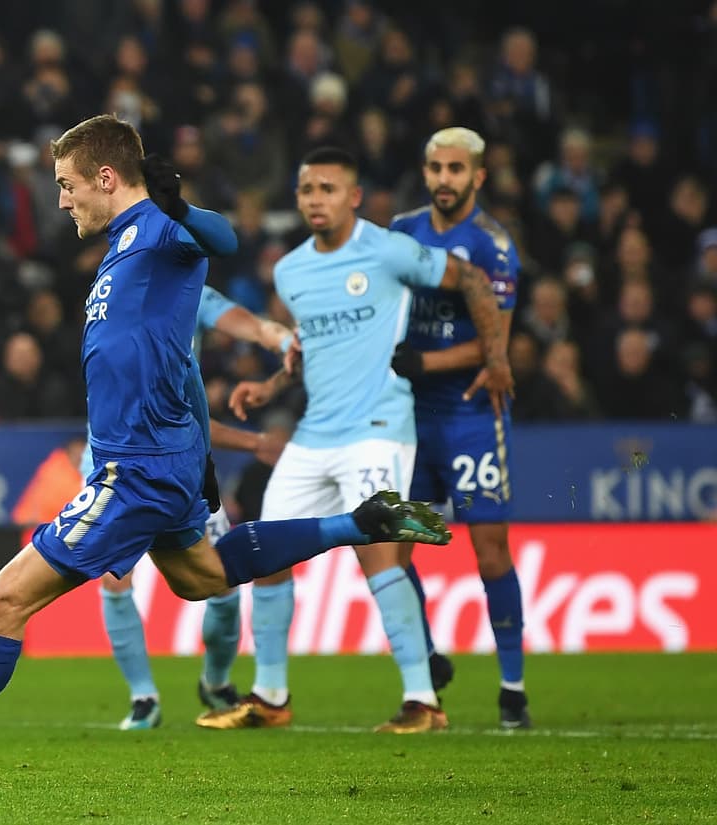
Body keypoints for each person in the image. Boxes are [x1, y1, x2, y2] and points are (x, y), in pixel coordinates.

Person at [0, 115, 451, 785]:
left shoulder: (158, 229)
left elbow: (225, 236)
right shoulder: (125, 246)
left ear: (105, 177)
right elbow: (167, 357)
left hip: (136, 468)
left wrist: (176, 203)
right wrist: (199, 451)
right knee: (200, 576)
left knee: (3, 601)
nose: (61, 199)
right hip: (165, 458)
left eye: (66, 185)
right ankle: (357, 523)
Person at [208, 146, 510, 735]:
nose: (314, 199)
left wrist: (494, 355)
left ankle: (423, 701)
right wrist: (272, 385)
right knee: (267, 555)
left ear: (353, 197)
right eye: (305, 189)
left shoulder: (388, 250)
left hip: (378, 428)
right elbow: (310, 347)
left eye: (326, 188)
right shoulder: (291, 270)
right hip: (315, 431)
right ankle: (270, 696)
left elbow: (471, 278)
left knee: (377, 555)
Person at [99, 284, 296, 731]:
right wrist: (256, 442)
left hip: (184, 464)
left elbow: (245, 323)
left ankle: (216, 680)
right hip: (120, 459)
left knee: (223, 587)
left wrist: (280, 339)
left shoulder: (189, 289)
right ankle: (143, 698)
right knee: (116, 578)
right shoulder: (113, 290)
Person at [387, 127, 530, 729]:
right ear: (425, 172)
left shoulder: (493, 247)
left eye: (456, 169)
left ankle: (512, 687)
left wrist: (425, 362)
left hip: (470, 412)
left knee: (489, 546)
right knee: (392, 548)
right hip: (405, 416)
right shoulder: (401, 232)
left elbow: (495, 348)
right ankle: (427, 662)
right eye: (435, 168)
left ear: (478, 177)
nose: (444, 178)